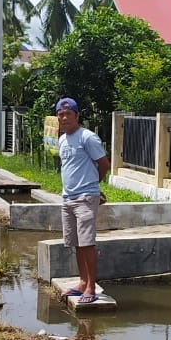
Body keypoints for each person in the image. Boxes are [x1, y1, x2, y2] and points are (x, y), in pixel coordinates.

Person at [55, 97, 110, 304]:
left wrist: (94, 187)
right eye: (61, 114)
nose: (64, 117)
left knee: (87, 243)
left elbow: (104, 164)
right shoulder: (62, 139)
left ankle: (91, 287)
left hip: (85, 197)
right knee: (76, 243)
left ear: (77, 116)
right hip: (67, 198)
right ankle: (82, 281)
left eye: (68, 114)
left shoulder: (87, 137)